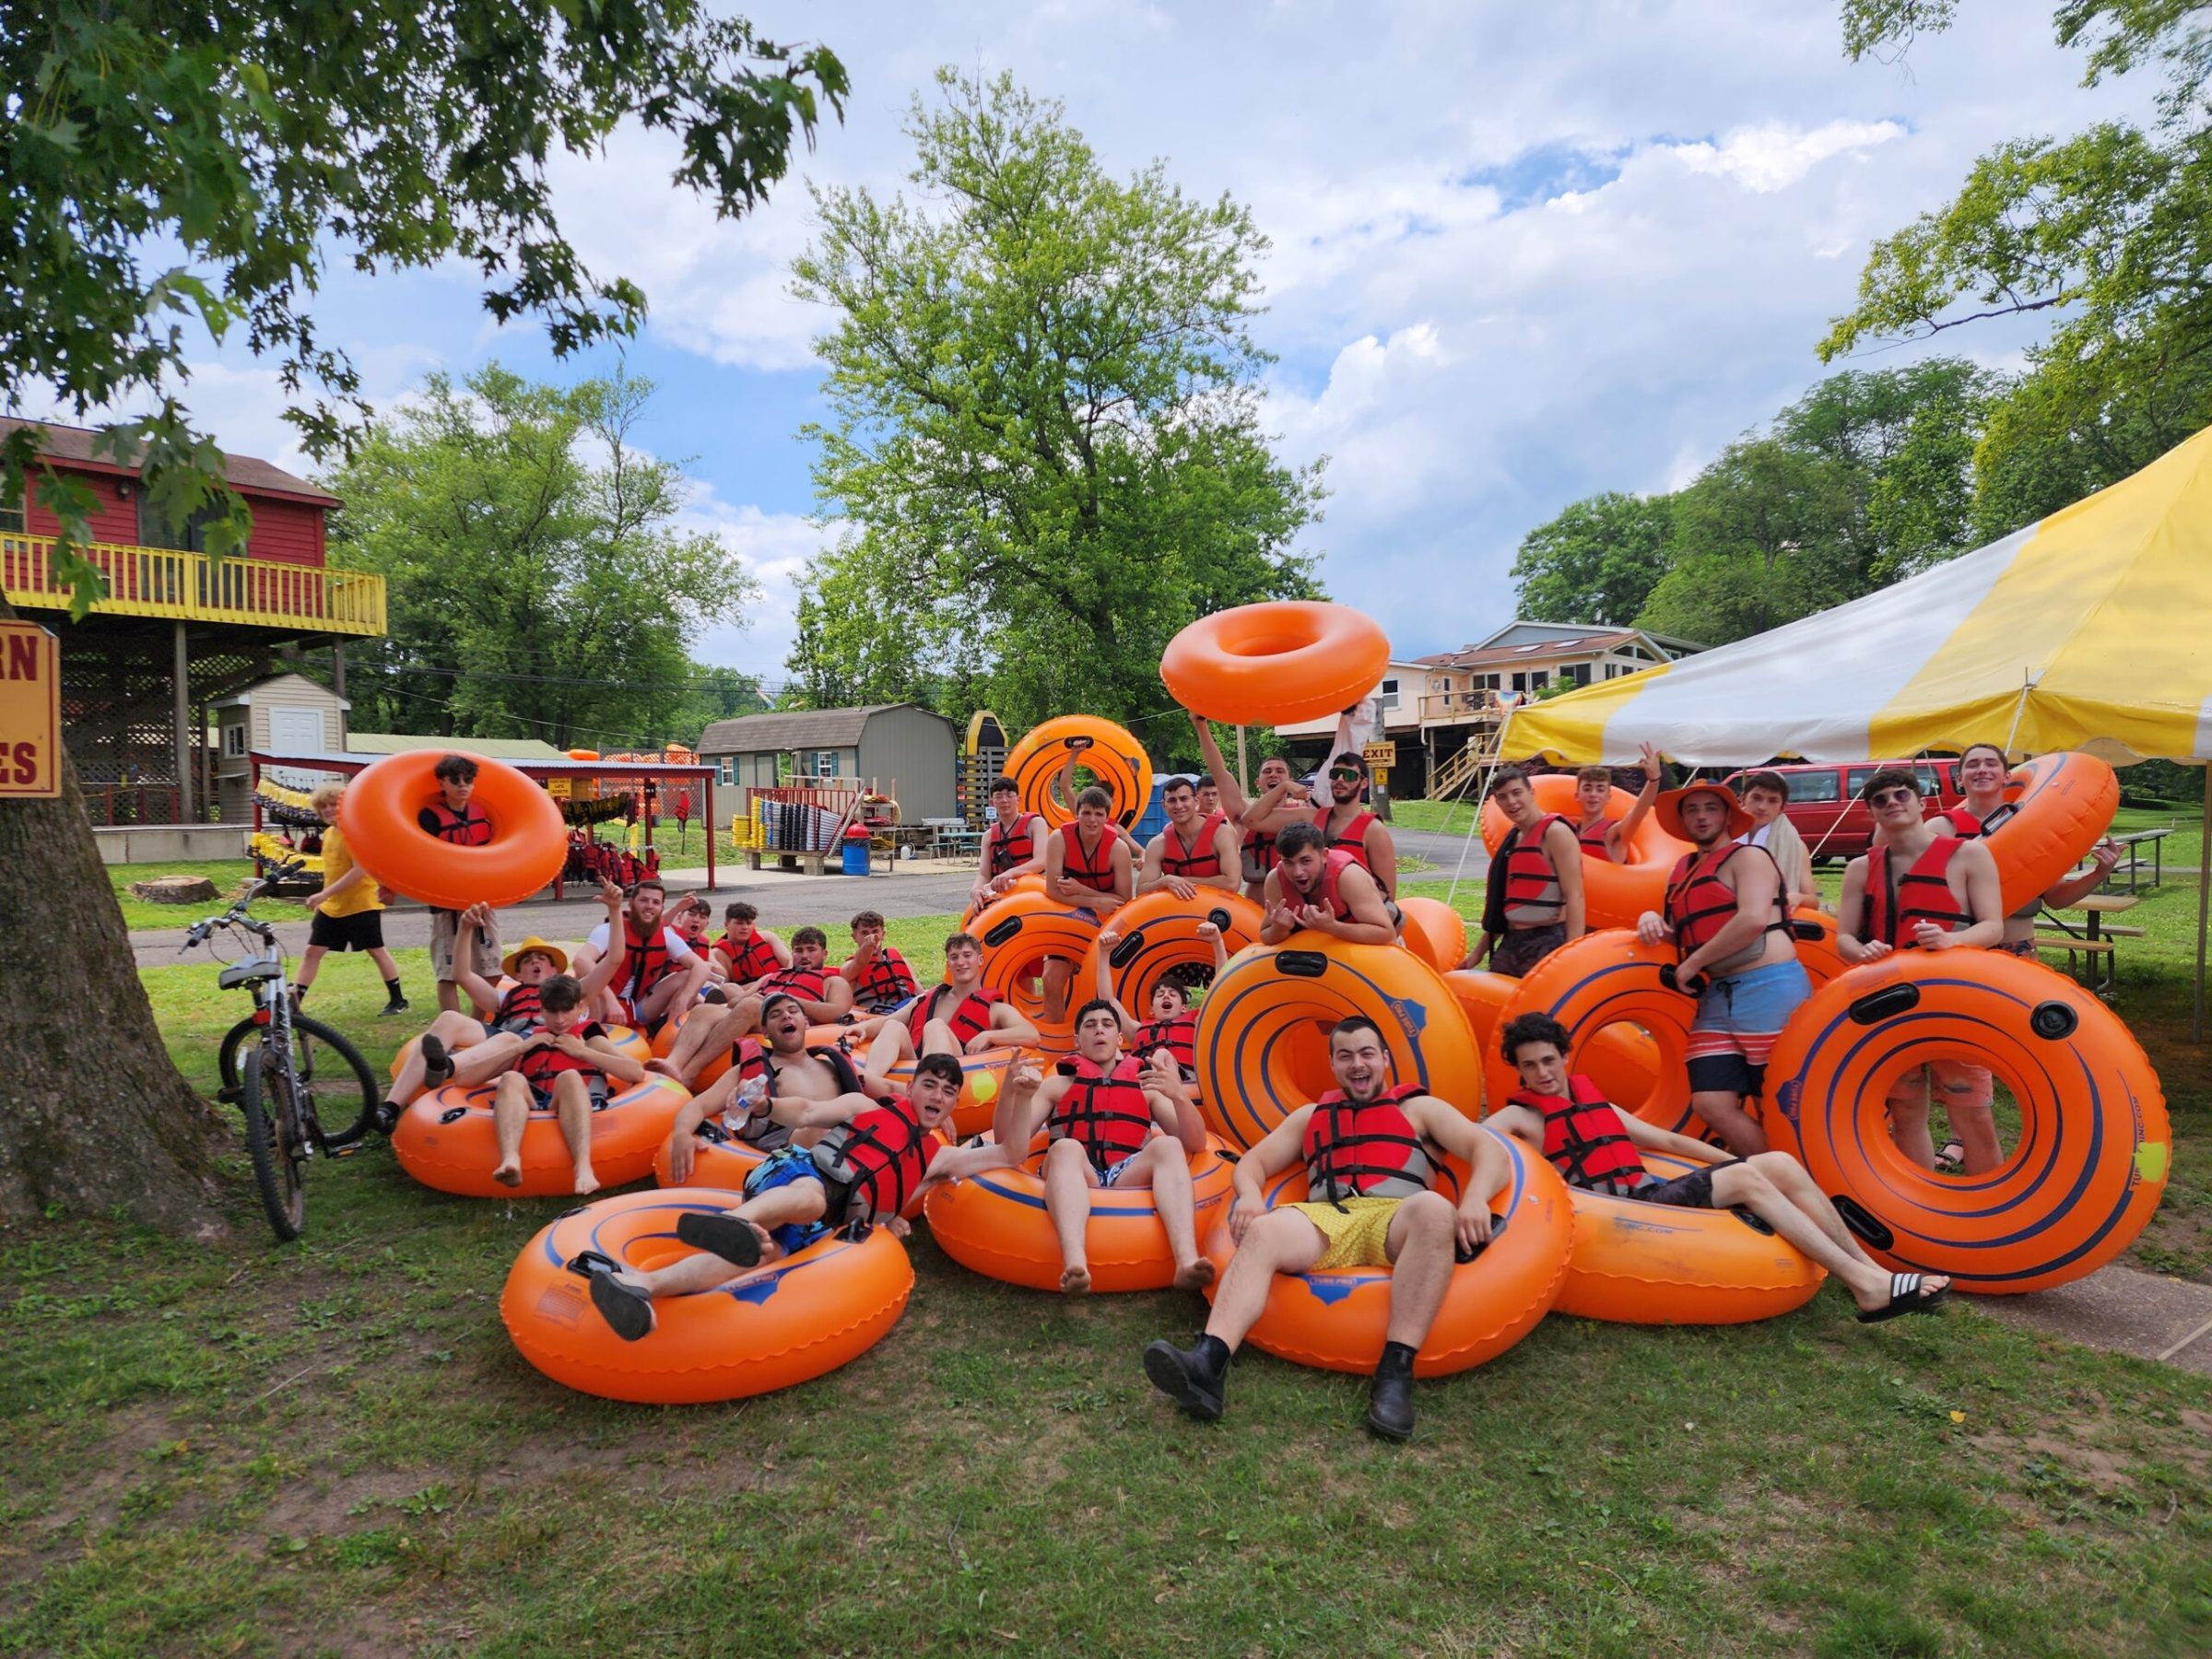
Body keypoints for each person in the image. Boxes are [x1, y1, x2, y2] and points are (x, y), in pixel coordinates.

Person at [1142, 1015, 1512, 1440]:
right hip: (1329, 1218)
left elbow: (1489, 1151)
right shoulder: (1310, 1116)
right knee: (1265, 1231)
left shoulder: (1420, 1109)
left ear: (1385, 1060)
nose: (1358, 1064)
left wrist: (1475, 1199)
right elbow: (1253, 1163)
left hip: (1397, 1217)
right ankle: (1208, 1365)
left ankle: (1394, 1376)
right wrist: (1248, 1194)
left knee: (1433, 1208)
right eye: (1346, 1056)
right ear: (1333, 1066)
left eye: (1367, 1054)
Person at [1487, 1014, 1949, 1322]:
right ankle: (1867, 1287)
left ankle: (1873, 1272)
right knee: (1748, 1179)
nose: (1543, 1073)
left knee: (1779, 1164)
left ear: (1565, 1057)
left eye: (1549, 1060)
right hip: (1623, 1209)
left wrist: (1735, 1160)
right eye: (1530, 1066)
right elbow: (1471, 1138)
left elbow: (1666, 1141)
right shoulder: (1519, 1119)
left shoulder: (1598, 1103)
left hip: (1651, 1191)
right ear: (1520, 1073)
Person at [582, 1053, 1012, 1341]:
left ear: (954, 1104)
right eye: (930, 1085)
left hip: (815, 1227)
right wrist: (766, 1108)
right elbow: (806, 1111)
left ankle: (640, 1286)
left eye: (948, 1092)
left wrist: (1019, 1092)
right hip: (794, 1175)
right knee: (812, 1197)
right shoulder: (867, 1107)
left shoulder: (935, 1158)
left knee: (757, 1257)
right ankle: (738, 1222)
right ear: (911, 1087)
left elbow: (1009, 1151)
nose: (937, 1096)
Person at [1837, 768, 2007, 1173]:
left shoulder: (1969, 854)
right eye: (1881, 800)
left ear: (1921, 803)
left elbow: (1993, 926)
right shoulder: (1860, 869)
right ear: (1871, 813)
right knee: (1906, 1109)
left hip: (1956, 1000)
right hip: (1892, 1000)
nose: (1892, 803)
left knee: (1973, 1113)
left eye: (1901, 795)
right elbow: (1843, 938)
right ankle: (1925, 1204)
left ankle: (1986, 1210)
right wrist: (1863, 950)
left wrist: (1952, 940)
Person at [1635, 782, 1811, 1157]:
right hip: (1718, 997)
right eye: (1692, 809)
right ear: (1683, 819)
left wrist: (1693, 963)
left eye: (1710, 808)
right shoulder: (1682, 870)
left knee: (1775, 1103)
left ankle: (1800, 1191)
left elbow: (1751, 919)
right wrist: (1651, 918)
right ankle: (1779, 1182)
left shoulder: (1750, 857)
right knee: (1711, 1102)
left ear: (1728, 816)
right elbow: (1681, 932)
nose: (1701, 816)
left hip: (1770, 989)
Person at [994, 1001, 1215, 1295]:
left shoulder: (1144, 1083)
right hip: (1076, 1169)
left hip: (1126, 1172)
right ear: (1076, 1041)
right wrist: (1013, 1095)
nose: (1099, 1030)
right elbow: (1006, 1143)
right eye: (1090, 1025)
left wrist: (1179, 1096)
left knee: (1170, 1145)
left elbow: (1196, 1143)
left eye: (1107, 1025)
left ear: (1119, 1038)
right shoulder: (1057, 1084)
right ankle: (1076, 1265)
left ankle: (1186, 1261)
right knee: (1066, 1147)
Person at [374, 880, 627, 1131]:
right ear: (518, 975)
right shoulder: (505, 997)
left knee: (509, 1040)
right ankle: (390, 1108)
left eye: (542, 959)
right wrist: (465, 928)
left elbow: (613, 960)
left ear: (555, 969)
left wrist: (614, 911)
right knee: (451, 1018)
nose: (535, 963)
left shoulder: (574, 992)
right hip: (510, 1041)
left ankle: (447, 1066)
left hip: (544, 1042)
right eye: (528, 961)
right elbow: (462, 974)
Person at [660, 993, 878, 1174]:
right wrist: (682, 1133)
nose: (785, 1016)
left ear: (806, 1022)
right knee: (817, 1130)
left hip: (844, 1134)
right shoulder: (754, 1072)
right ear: (765, 1031)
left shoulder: (830, 1064)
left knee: (860, 1106)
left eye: (793, 1012)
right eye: (775, 1015)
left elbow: (885, 1090)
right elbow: (698, 1105)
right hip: (792, 1140)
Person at [1940, 742, 2123, 957]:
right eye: (1972, 765)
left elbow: (2055, 898)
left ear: (2007, 776)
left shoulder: (2031, 827)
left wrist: (2099, 874)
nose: (1982, 769)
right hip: (1964, 951)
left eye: (1991, 763)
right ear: (1959, 778)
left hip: (2019, 948)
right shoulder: (1942, 828)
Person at [485, 972, 648, 1193]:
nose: (560, 1020)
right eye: (552, 1012)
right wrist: (521, 1048)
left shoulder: (592, 1040)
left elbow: (636, 1072)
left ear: (580, 1007)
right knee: (511, 1078)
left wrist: (582, 1052)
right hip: (539, 1104)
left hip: (583, 1098)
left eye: (566, 1010)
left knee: (569, 1076)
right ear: (542, 1011)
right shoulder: (532, 1040)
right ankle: (510, 1159)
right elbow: (467, 1077)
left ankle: (583, 1168)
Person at [650, 925, 854, 1085]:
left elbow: (837, 1011)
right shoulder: (774, 976)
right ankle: (673, 1063)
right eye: (799, 951)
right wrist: (746, 998)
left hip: (789, 1020)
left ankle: (689, 1073)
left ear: (825, 954)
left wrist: (784, 1000)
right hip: (757, 1014)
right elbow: (736, 1002)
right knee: (704, 1010)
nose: (805, 956)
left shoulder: (832, 981)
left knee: (751, 1006)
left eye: (812, 950)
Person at [295, 780, 407, 1014]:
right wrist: (324, 899)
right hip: (332, 906)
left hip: (361, 904)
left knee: (376, 949)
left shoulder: (354, 832)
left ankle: (398, 1000)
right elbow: (333, 870)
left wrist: (323, 894)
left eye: (333, 804)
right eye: (323, 806)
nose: (327, 810)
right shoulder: (328, 834)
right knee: (312, 951)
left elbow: (359, 870)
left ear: (344, 806)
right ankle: (294, 1003)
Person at [1465, 765, 1585, 976]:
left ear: (1531, 793)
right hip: (1511, 942)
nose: (1511, 802)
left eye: (1516, 792)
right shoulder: (1512, 840)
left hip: (1547, 940)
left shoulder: (1556, 833)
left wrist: (1571, 955)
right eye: (1503, 797)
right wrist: (1477, 954)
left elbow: (1575, 895)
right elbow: (1502, 905)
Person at [1189, 712, 1314, 905]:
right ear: (1258, 782)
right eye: (1267, 771)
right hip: (1256, 903)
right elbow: (1219, 772)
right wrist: (1201, 726)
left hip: (1298, 900)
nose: (1273, 775)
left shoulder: (1304, 815)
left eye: (1280, 771)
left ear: (1290, 780)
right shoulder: (1242, 814)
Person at [865, 932, 1042, 1064]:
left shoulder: (996, 1010)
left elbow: (1031, 1035)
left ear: (980, 960)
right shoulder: (929, 998)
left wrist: (989, 1036)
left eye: (967, 956)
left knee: (935, 1026)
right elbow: (887, 1021)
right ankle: (869, 1084)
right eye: (954, 957)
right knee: (894, 1026)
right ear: (948, 964)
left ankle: (931, 1085)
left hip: (957, 1072)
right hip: (915, 1067)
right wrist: (854, 1030)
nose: (961, 962)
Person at [1092, 920, 1230, 1087]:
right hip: (1142, 1080)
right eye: (1160, 995)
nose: (1166, 997)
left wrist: (1217, 942)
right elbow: (1107, 1001)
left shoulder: (1198, 1023)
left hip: (1186, 1081)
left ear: (1183, 1007)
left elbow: (1221, 990)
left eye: (1173, 994)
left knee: (1161, 1054)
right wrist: (1103, 954)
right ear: (1151, 1009)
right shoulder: (1136, 1030)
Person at [1040, 785, 1134, 1021]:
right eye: (1087, 813)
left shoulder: (1118, 848)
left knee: (1106, 985)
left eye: (1099, 814)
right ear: (1077, 814)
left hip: (1104, 925)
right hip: (1068, 919)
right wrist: (1096, 899)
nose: (1092, 820)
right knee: (1050, 979)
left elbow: (1124, 901)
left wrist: (1082, 891)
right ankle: (1056, 1042)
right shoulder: (1059, 839)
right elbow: (1052, 891)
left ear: (1106, 818)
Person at [419, 753, 503, 1015]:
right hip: (446, 903)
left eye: (467, 780)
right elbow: (420, 856)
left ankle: (476, 1024)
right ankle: (454, 1025)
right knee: (448, 973)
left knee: (492, 969)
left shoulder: (483, 813)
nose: (462, 785)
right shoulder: (429, 817)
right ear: (441, 783)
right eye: (454, 780)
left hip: (481, 901)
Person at [571, 877, 712, 1033]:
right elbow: (580, 961)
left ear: (661, 907)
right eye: (643, 900)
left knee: (686, 976)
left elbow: (701, 968)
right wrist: (610, 1001)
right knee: (592, 991)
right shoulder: (608, 930)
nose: (649, 906)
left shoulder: (665, 935)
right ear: (631, 903)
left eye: (655, 902)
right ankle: (591, 1036)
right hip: (603, 1006)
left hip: (639, 1008)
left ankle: (665, 1033)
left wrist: (682, 1002)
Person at [1259, 821, 1397, 947]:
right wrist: (1280, 929)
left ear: (1324, 855)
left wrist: (1332, 927)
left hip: (1371, 949)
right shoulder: (1275, 880)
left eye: (1305, 861)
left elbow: (1386, 933)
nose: (1297, 872)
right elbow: (1266, 936)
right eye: (1288, 863)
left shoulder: (1349, 877)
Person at [1138, 774, 1240, 899]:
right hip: (1180, 910)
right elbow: (1141, 891)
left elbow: (1232, 883)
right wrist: (1165, 882)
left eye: (1184, 799)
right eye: (1172, 801)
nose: (1178, 806)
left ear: (1196, 800)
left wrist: (1182, 880)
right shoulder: (1157, 844)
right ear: (1163, 806)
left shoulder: (1222, 834)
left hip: (1218, 909)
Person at [1735, 770, 1821, 912]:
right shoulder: (1724, 836)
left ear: (1782, 807)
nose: (1762, 807)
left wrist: (1798, 897)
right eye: (1756, 798)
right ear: (1743, 798)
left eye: (1772, 801)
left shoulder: (1795, 846)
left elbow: (1813, 901)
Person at [1569, 744, 1665, 865]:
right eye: (1587, 789)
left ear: (1608, 797)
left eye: (1600, 789)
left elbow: (1638, 813)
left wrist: (1654, 779)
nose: (1593, 794)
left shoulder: (1614, 833)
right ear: (1577, 796)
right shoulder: (1568, 832)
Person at [973, 774, 1050, 910]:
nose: (1004, 800)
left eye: (1009, 795)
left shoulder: (1035, 824)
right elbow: (983, 874)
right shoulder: (988, 836)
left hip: (1033, 892)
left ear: (1018, 799)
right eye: (998, 796)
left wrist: (1010, 873)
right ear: (992, 802)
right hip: (1002, 897)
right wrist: (976, 889)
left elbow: (1041, 861)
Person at [840, 910, 919, 1016]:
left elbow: (920, 992)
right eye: (864, 933)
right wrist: (867, 947)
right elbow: (861, 962)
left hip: (906, 1009)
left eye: (875, 932)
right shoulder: (849, 968)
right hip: (874, 1016)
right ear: (854, 937)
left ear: (883, 934)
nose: (871, 937)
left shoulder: (902, 961)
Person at [710, 901, 791, 984]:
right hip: (749, 992)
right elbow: (723, 985)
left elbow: (789, 962)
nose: (745, 927)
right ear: (727, 925)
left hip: (782, 984)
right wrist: (764, 983)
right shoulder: (718, 953)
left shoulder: (768, 937)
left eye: (749, 923)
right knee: (730, 989)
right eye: (739, 923)